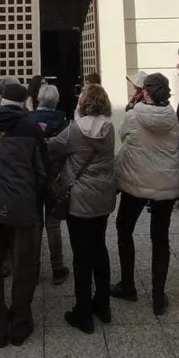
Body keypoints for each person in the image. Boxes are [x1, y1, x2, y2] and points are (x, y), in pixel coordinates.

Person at [0, 80, 48, 347]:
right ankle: (20, 323)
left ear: (0, 98)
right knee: (24, 267)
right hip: (22, 206)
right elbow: (41, 172)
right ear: (24, 100)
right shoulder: (31, 128)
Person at [47, 83, 116, 333]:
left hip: (80, 198)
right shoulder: (109, 128)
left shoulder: (76, 130)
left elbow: (53, 147)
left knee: (81, 256)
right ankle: (103, 305)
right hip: (103, 196)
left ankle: (83, 313)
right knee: (100, 248)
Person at [111, 72, 179, 315]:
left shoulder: (133, 116)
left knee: (124, 228)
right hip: (165, 183)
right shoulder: (172, 116)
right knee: (160, 238)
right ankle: (158, 295)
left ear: (146, 92)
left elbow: (122, 135)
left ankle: (128, 284)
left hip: (136, 181)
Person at [27, 83, 70, 284]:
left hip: (34, 177)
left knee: (35, 224)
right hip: (55, 177)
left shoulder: (28, 120)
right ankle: (57, 267)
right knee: (53, 224)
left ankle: (33, 270)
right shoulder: (62, 120)